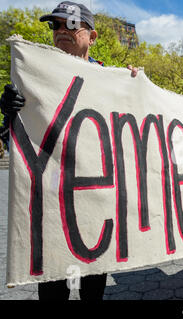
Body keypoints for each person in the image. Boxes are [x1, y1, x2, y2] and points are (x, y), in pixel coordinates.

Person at [0, 1, 138, 300]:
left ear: (92, 36)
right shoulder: (31, 76)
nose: (63, 31)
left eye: (72, 24)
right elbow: (14, 146)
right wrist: (11, 117)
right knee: (53, 291)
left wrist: (136, 89)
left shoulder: (111, 79)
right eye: (56, 25)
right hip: (49, 205)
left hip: (95, 205)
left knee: (91, 289)